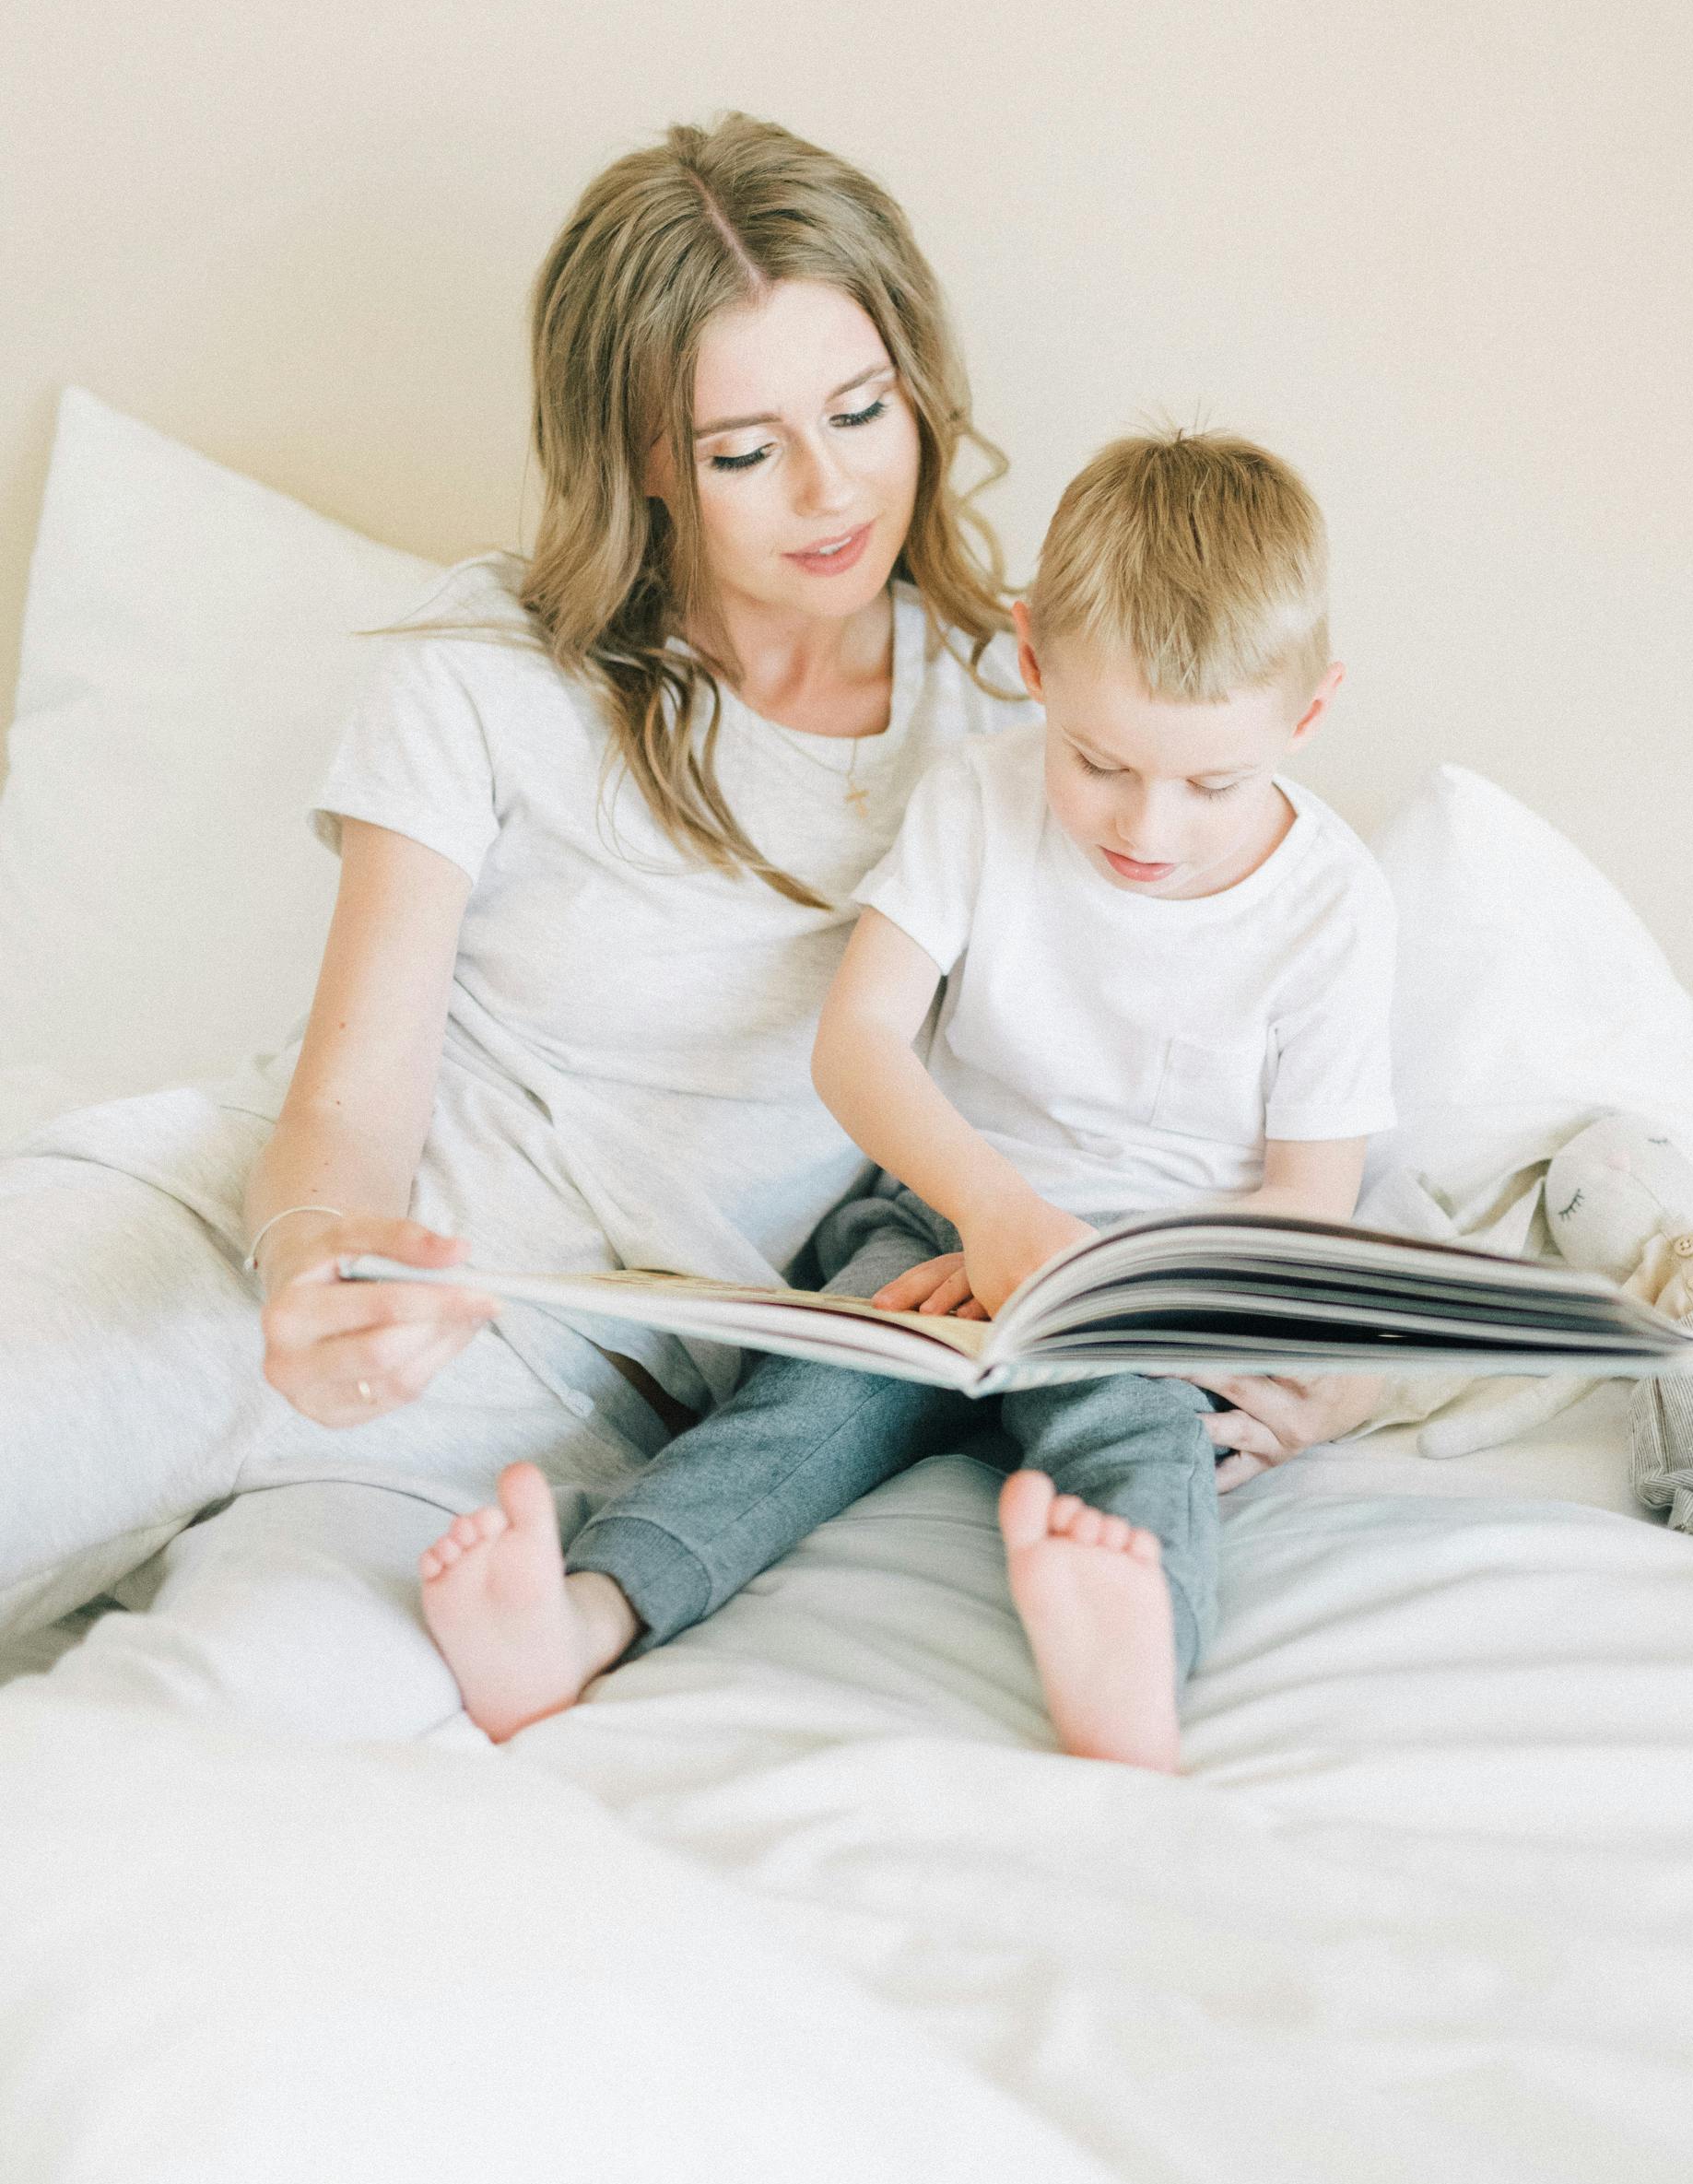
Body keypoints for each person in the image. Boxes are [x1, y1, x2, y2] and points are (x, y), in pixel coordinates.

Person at [1, 116, 1376, 1738]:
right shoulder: (489, 673)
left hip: (537, 1418)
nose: (830, 488)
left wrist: (1340, 1379)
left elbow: (1225, 1063)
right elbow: (347, 1098)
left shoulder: (1037, 740)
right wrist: (316, 1265)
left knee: (211, 1745)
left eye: (863, 411)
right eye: (744, 448)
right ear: (648, 457)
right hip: (220, 1258)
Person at [418, 430, 1395, 1770]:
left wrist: (1100, 1280)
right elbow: (859, 1044)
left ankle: (1130, 1665)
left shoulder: (1334, 907)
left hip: (1150, 1282)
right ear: (1035, 658)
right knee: (802, 1406)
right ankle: (585, 1617)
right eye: (1102, 762)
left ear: (1309, 716)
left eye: (1213, 782)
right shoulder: (979, 804)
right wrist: (992, 1218)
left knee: (1143, 1440)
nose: (1148, 828)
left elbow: (1310, 1203)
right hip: (946, 1227)